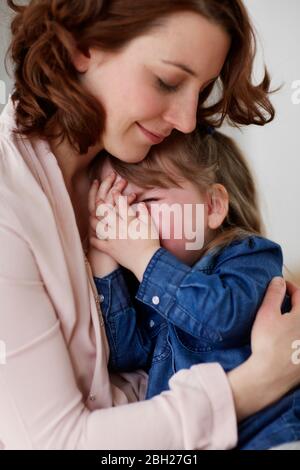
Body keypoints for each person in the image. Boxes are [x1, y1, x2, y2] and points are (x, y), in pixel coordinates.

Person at [0, 0, 300, 450]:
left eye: (200, 91)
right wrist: (258, 381)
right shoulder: (13, 206)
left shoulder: (131, 163)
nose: (186, 119)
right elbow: (55, 441)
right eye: (167, 81)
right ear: (84, 46)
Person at [88, 127, 300, 450]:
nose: (131, 223)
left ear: (213, 206)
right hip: (200, 440)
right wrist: (105, 255)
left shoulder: (250, 255)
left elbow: (223, 319)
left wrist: (146, 259)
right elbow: (123, 354)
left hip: (273, 433)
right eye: (119, 210)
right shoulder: (149, 286)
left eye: (147, 201)